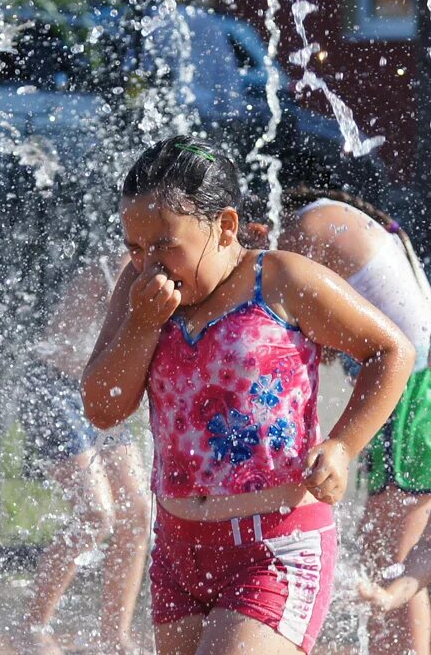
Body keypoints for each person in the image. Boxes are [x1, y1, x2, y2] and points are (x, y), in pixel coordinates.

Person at [81, 135, 414, 655]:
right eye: (135, 248)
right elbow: (103, 408)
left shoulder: (280, 279)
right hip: (177, 553)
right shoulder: (136, 291)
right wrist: (142, 325)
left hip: (276, 545)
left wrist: (344, 445)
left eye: (166, 245)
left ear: (226, 226)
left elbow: (392, 351)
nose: (151, 264)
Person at [241, 186, 431, 655]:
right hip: (413, 388)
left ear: (256, 230)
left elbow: (273, 330)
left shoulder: (303, 233)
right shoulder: (333, 219)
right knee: (395, 561)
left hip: (412, 392)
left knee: (392, 560)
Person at [14, 260, 151, 655]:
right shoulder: (116, 270)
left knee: (138, 511)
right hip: (55, 388)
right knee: (96, 514)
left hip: (100, 390)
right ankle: (31, 626)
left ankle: (114, 638)